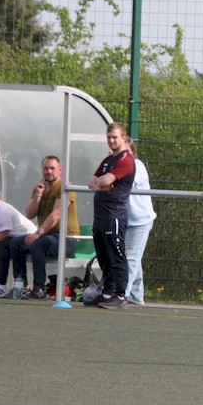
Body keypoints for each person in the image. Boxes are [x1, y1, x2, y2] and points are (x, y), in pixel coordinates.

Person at [10, 156, 79, 299]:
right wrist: (38, 195)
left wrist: (38, 233)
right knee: (15, 243)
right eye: (46, 168)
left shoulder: (65, 186)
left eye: (52, 168)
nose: (49, 171)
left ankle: (39, 288)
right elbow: (29, 214)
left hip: (67, 238)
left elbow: (57, 214)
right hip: (47, 236)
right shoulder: (38, 188)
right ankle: (21, 285)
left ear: (60, 170)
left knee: (37, 244)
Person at [85, 122, 135, 309]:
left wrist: (104, 182)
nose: (111, 141)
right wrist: (102, 184)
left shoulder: (125, 160)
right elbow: (92, 181)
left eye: (115, 137)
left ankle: (120, 295)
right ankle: (106, 293)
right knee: (103, 257)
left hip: (114, 216)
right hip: (100, 217)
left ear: (123, 138)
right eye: (109, 137)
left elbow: (105, 180)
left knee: (116, 256)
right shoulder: (108, 159)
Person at [123, 136, 157, 305]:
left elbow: (125, 182)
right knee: (133, 257)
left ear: (133, 153)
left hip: (140, 221)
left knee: (131, 258)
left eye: (127, 152)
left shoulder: (138, 166)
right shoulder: (115, 166)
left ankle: (122, 295)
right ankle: (136, 297)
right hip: (125, 221)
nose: (125, 157)